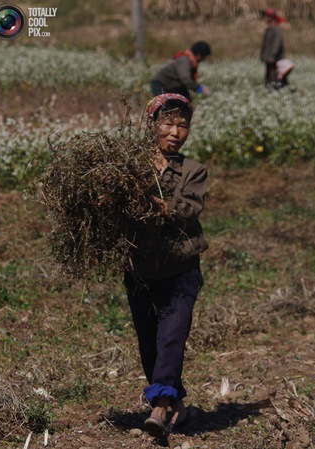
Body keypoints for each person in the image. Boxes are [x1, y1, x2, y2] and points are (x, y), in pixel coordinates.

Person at [125, 93, 208, 437]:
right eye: (168, 123)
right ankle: (179, 408)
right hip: (140, 270)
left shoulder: (193, 170)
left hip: (181, 270)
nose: (175, 131)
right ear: (151, 126)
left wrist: (161, 206)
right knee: (150, 342)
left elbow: (189, 210)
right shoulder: (129, 168)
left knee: (172, 337)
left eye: (182, 125)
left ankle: (159, 406)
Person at [260, 8, 287, 88]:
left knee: (275, 76)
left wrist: (272, 55)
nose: (264, 19)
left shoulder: (276, 29)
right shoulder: (269, 29)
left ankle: (277, 89)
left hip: (275, 58)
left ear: (270, 17)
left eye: (265, 17)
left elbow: (277, 43)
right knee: (269, 75)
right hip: (269, 57)